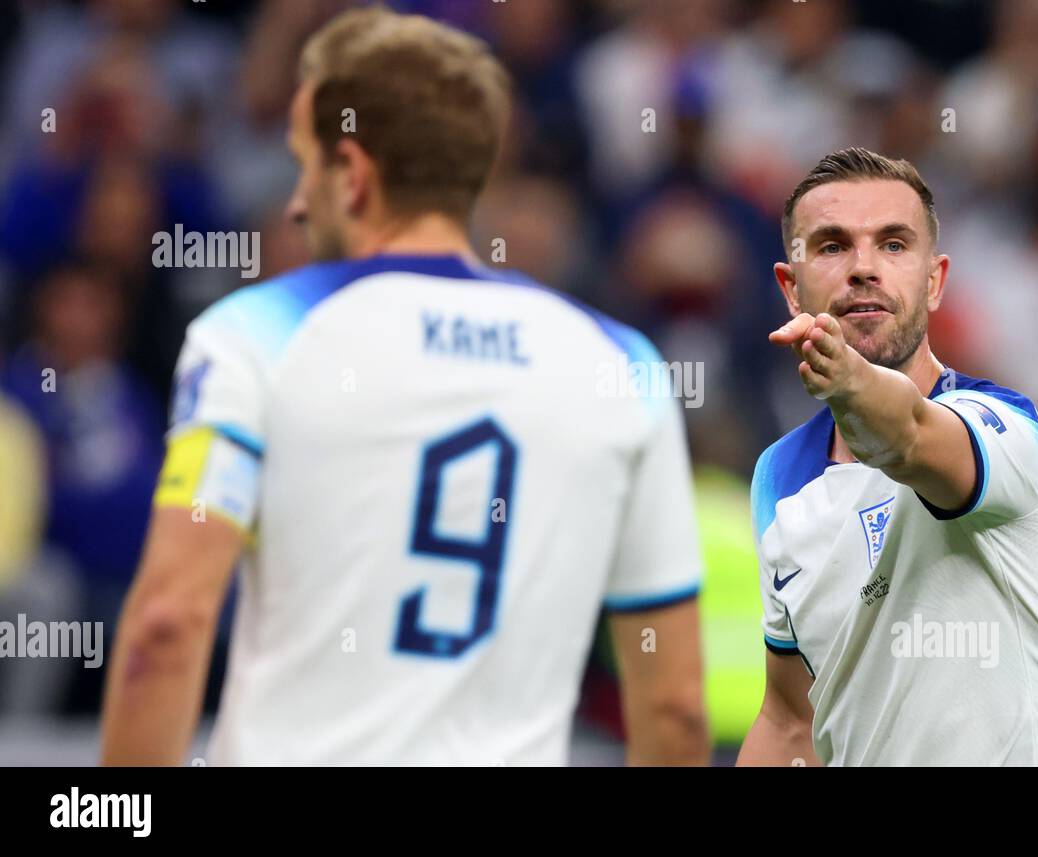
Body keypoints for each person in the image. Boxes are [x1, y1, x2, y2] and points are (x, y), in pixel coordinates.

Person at [101, 7, 708, 766]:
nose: (295, 200)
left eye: (305, 163)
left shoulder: (253, 333)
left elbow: (166, 622)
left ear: (352, 174)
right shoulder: (623, 365)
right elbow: (677, 705)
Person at [737, 148, 1038, 766]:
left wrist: (850, 382)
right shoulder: (779, 474)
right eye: (831, 246)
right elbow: (791, 719)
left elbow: (904, 435)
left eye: (894, 244)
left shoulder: (1006, 431)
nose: (864, 269)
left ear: (934, 280)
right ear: (791, 289)